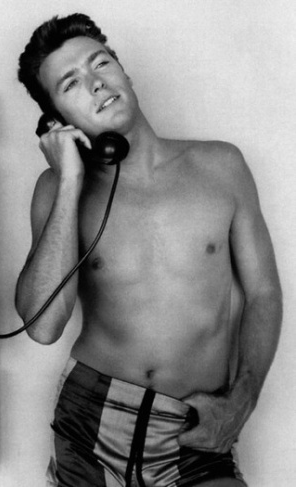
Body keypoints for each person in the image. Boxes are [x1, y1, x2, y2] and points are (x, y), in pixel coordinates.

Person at [15, 13, 282, 487]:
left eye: (101, 63)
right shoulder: (55, 191)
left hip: (192, 428)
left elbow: (263, 292)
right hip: (89, 421)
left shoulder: (222, 166)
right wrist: (70, 180)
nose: (96, 84)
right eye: (71, 84)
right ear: (55, 119)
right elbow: (43, 325)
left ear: (125, 72)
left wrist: (242, 402)